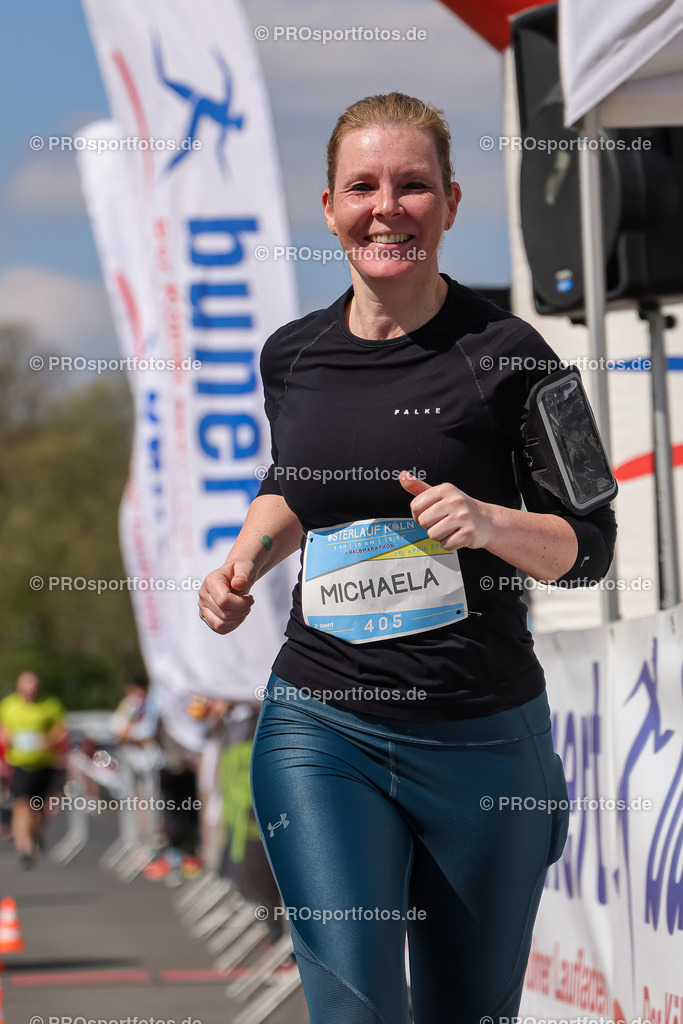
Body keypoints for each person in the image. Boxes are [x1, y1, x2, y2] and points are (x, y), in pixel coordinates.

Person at [198, 93, 617, 1023]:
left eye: (412, 186)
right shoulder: (292, 356)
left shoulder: (515, 356)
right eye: (363, 186)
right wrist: (243, 564)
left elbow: (589, 552)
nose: (386, 207)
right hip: (322, 725)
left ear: (452, 203)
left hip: (480, 739)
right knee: (356, 1010)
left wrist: (490, 522)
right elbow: (295, 484)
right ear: (329, 207)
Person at [0, 670, 67, 866]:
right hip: (19, 764)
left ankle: (36, 833)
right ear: (19, 687)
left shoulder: (50, 704)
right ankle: (25, 848)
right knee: (22, 806)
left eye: (34, 687)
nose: (31, 691)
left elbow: (61, 730)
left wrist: (48, 740)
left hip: (45, 764)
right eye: (27, 686)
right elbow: (3, 730)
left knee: (41, 808)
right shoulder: (9, 705)